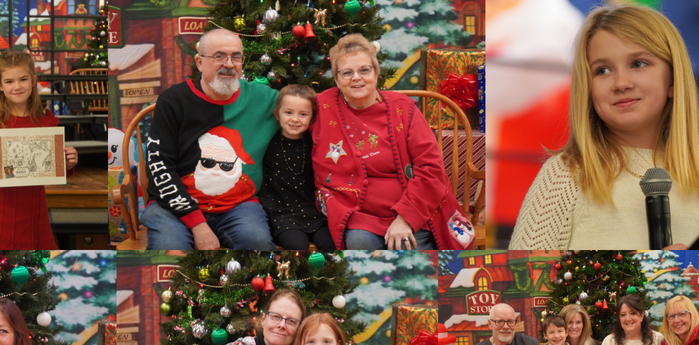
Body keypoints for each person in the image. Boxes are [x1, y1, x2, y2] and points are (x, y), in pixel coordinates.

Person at [510, 4, 699, 250]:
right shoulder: (566, 175)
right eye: (603, 70)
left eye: (638, 64)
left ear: (673, 80)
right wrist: (642, 272)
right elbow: (524, 273)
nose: (621, 83)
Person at [311, 34, 475, 251]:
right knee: (359, 244)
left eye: (364, 70)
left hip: (414, 208)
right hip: (360, 216)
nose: (356, 78)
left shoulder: (404, 109)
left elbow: (430, 169)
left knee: (406, 248)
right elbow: (286, 114)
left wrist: (405, 218)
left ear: (376, 73)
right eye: (347, 73)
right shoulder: (322, 107)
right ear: (336, 79)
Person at [141, 28, 278, 250]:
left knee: (257, 243)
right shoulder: (173, 100)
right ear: (200, 62)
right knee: (170, 249)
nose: (229, 64)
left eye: (236, 57)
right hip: (173, 206)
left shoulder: (265, 99)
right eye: (219, 56)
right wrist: (198, 225)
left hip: (238, 205)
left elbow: (309, 108)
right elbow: (159, 167)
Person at [0, 51, 78, 250]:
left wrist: (67, 163)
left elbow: (52, 165)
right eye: (9, 81)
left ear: (33, 81)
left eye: (23, 79)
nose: (17, 86)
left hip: (36, 214)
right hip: (0, 214)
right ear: (0, 85)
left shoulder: (45, 120)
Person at [260, 85, 335, 250]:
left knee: (329, 242)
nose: (295, 119)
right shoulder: (267, 142)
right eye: (288, 112)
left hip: (314, 210)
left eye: (303, 114)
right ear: (277, 114)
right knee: (297, 244)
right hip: (281, 211)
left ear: (312, 117)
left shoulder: (316, 143)